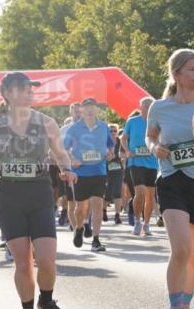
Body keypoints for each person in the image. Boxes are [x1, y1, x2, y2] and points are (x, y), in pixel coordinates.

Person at [0, 72, 77, 309]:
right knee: (22, 263)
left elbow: (61, 154)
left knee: (47, 260)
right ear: (7, 94)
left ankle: (46, 299)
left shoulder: (46, 123)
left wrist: (66, 169)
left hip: (40, 192)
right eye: (23, 89)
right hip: (9, 195)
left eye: (31, 89)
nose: (30, 93)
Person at [146, 49, 194, 309]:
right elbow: (150, 135)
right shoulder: (159, 107)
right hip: (172, 180)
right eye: (191, 69)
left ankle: (186, 307)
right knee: (182, 249)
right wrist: (154, 147)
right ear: (176, 75)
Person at [63, 98, 113, 253]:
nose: (90, 110)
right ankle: (79, 228)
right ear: (81, 110)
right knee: (81, 207)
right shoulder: (74, 128)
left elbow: (110, 145)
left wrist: (110, 154)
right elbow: (64, 148)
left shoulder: (103, 126)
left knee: (97, 204)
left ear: (96, 109)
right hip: (81, 173)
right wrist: (72, 159)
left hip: (99, 171)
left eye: (92, 107)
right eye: (86, 107)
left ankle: (96, 240)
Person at [121, 98, 160, 236]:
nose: (149, 108)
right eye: (146, 106)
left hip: (152, 162)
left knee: (150, 196)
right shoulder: (132, 121)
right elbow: (123, 138)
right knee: (140, 192)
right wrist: (127, 151)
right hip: (136, 162)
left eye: (151, 106)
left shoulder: (157, 122)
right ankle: (137, 221)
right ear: (140, 107)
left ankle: (146, 224)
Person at [106, 124, 125, 225]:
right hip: (106, 169)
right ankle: (103, 211)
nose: (113, 133)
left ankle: (117, 215)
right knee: (107, 192)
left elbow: (125, 153)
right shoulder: (104, 141)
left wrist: (122, 156)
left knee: (117, 191)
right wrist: (107, 156)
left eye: (114, 131)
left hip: (118, 169)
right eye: (110, 131)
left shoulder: (120, 141)